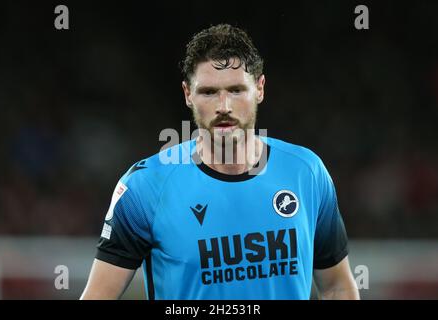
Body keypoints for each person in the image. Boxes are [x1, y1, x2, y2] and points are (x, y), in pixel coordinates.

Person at [81, 24, 360, 300]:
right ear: (188, 94)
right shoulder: (144, 187)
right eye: (209, 92)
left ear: (260, 88)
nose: (224, 106)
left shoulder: (306, 172)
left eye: (237, 90)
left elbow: (337, 287)